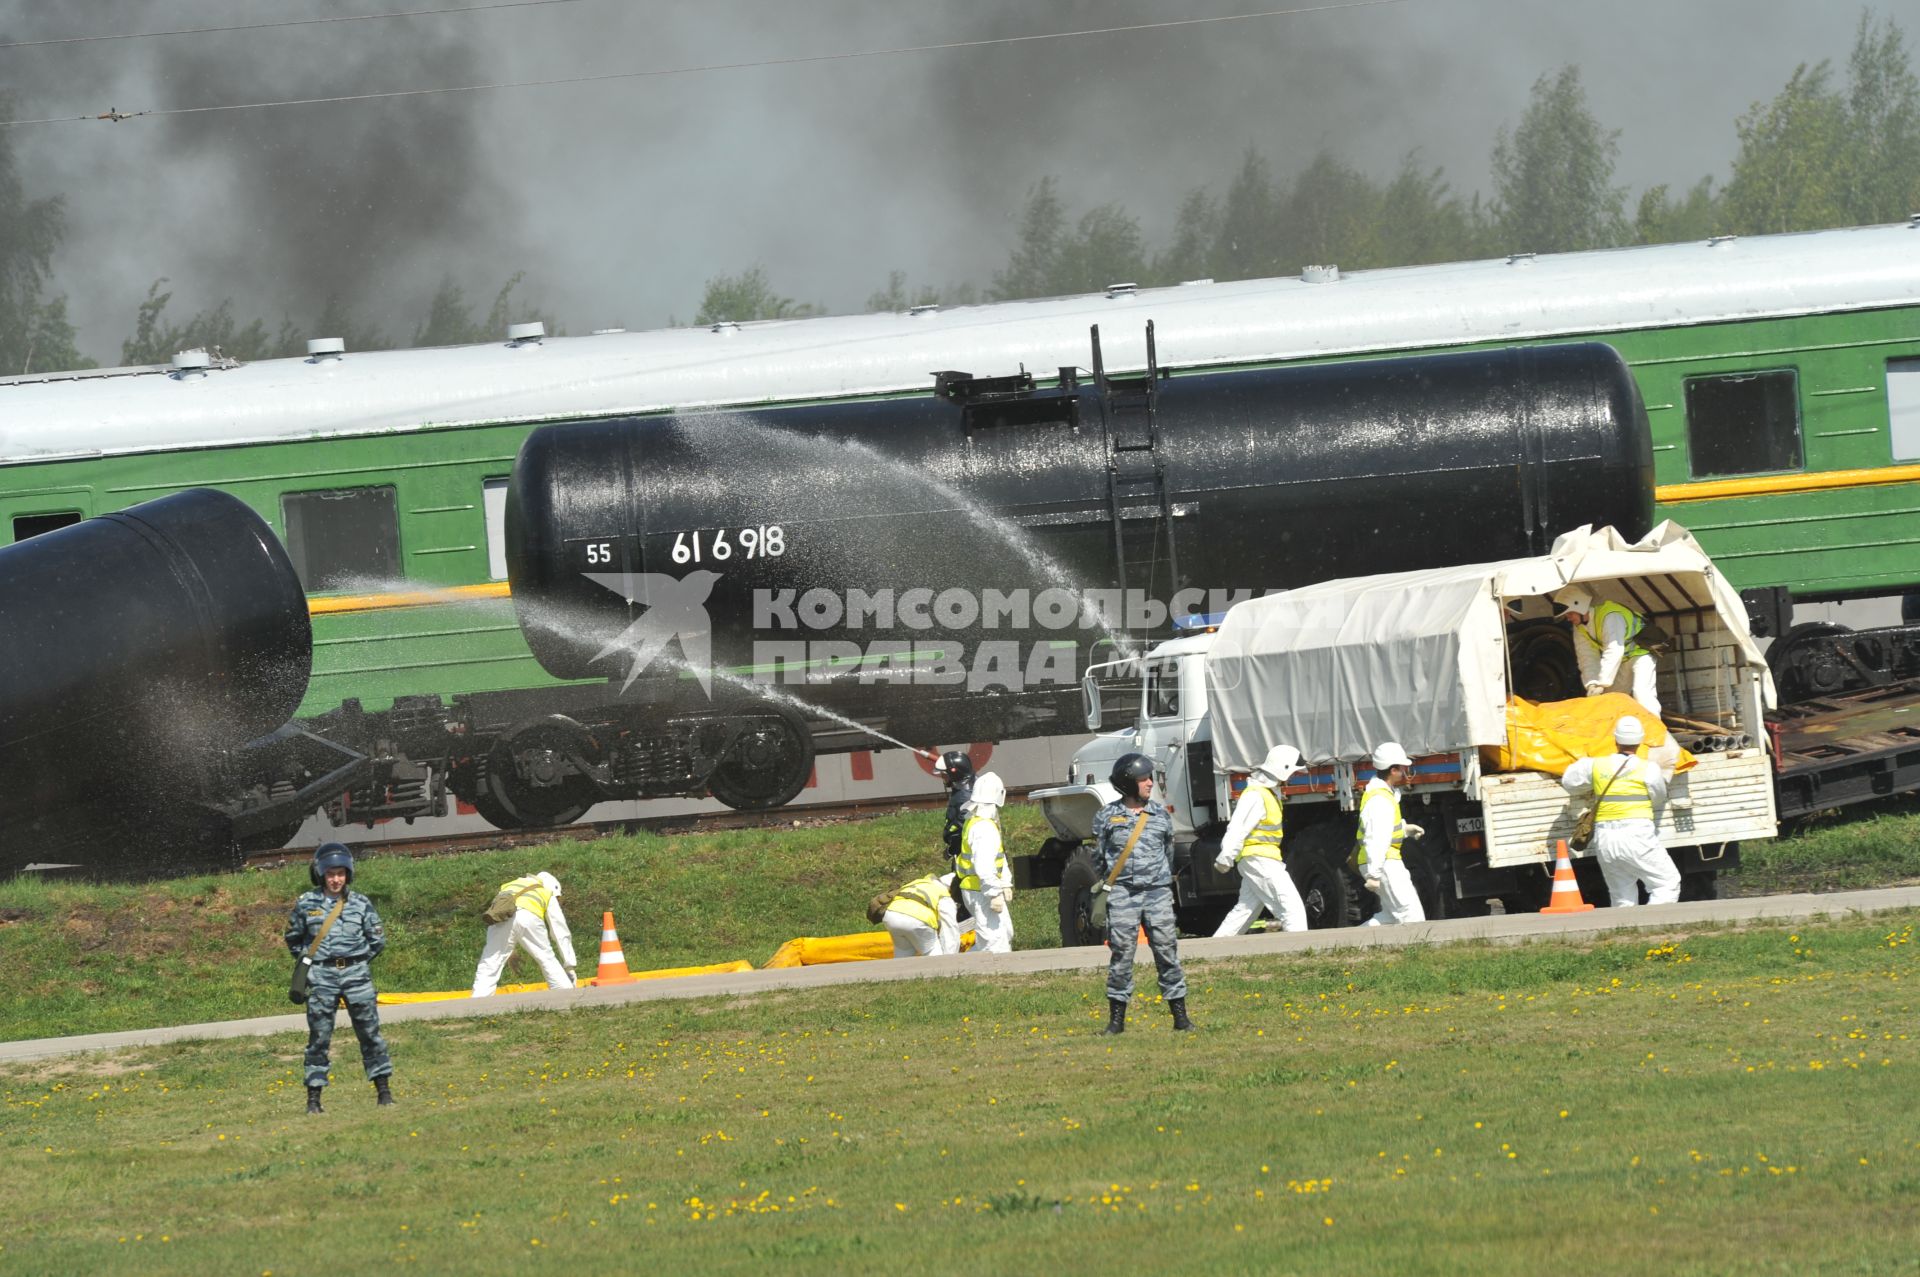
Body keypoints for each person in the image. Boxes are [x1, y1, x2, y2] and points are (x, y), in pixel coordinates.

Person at [284, 843, 393, 1114]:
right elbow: (293, 939)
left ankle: (384, 1093)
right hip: (322, 977)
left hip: (357, 976)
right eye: (331, 874)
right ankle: (314, 1100)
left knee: (370, 1034)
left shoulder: (360, 903)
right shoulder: (306, 903)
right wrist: (314, 963)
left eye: (341, 874)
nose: (336, 879)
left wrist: (356, 962)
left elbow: (377, 940)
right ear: (321, 874)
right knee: (319, 1037)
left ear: (348, 874)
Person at [1093, 753, 1192, 1035]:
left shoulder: (1160, 815)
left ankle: (1181, 1018)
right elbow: (1099, 858)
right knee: (1122, 955)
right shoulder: (1106, 817)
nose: (1150, 783)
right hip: (1122, 894)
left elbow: (1168, 853)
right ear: (1128, 783)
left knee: (1167, 951)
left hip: (1157, 893)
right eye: (1143, 779)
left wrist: (1159, 882)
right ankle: (1116, 1022)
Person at [1561, 715, 1680, 907]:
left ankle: (1627, 929)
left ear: (1615, 740)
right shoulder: (1648, 768)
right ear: (1640, 742)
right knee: (1666, 883)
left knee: (1621, 895)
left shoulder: (1595, 765)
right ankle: (1653, 925)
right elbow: (1658, 797)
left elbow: (1570, 782)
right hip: (1637, 834)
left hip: (1605, 838)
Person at [1212, 744, 1309, 936]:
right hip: (1259, 860)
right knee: (1291, 907)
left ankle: (1212, 951)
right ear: (1284, 769)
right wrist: (1226, 857)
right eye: (1294, 772)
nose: (1295, 777)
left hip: (1259, 859)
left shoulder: (1267, 793)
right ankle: (1300, 952)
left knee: (1244, 912)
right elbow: (1238, 829)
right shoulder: (1256, 795)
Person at [1352, 742, 1427, 927]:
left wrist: (1404, 829)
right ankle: (1415, 953)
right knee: (1412, 916)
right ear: (1393, 769)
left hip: (1384, 862)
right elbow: (1375, 839)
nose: (1404, 772)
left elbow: (1384, 830)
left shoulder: (1383, 795)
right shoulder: (1380, 800)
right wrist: (1374, 874)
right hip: (1384, 864)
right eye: (1402, 768)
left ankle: (1354, 942)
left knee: (1389, 918)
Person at [1553, 587, 1661, 715]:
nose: (1568, 618)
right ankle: (1617, 731)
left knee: (1642, 694)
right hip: (1623, 660)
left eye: (1570, 614)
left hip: (1641, 654)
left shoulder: (1610, 615)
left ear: (1580, 606)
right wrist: (1592, 683)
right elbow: (1586, 656)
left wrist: (1602, 682)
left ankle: (1655, 732)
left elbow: (1614, 649)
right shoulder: (1580, 628)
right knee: (1613, 698)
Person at [471, 871, 579, 996]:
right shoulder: (546, 892)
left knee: (490, 962)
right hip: (530, 918)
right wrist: (569, 965)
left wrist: (508, 949)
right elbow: (560, 931)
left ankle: (478, 1001)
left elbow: (503, 913)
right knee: (546, 958)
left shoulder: (509, 885)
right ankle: (566, 995)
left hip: (502, 918)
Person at [957, 771, 1015, 954]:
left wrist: (1005, 883)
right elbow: (983, 865)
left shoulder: (979, 822)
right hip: (981, 891)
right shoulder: (983, 828)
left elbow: (999, 858)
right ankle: (993, 975)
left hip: (980, 889)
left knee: (1004, 933)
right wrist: (993, 893)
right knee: (993, 943)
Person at [872, 871, 961, 957]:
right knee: (933, 953)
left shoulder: (919, 883)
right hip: (917, 920)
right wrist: (951, 958)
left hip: (891, 916)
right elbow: (950, 929)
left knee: (903, 955)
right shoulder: (944, 895)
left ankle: (896, 972)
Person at [932, 749, 976, 864]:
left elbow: (961, 829)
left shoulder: (965, 797)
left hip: (967, 855)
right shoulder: (969, 787)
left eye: (944, 774)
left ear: (954, 773)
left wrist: (950, 851)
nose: (942, 777)